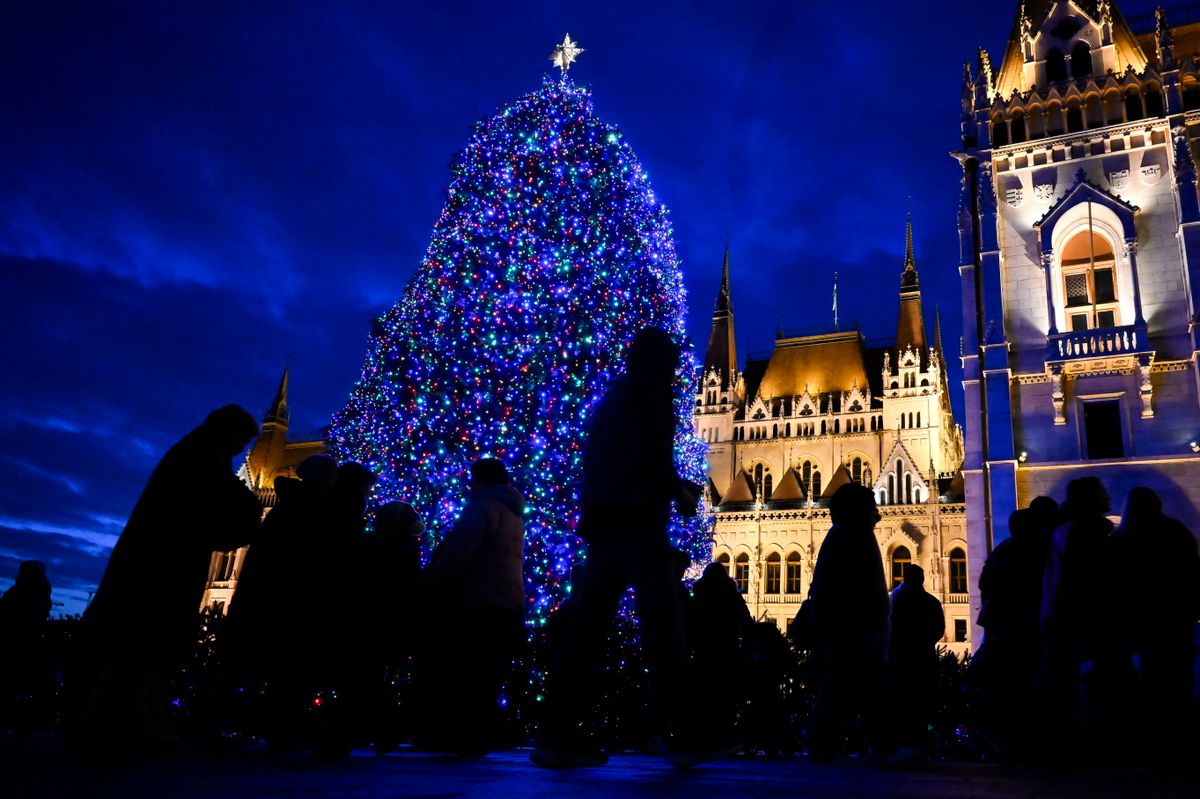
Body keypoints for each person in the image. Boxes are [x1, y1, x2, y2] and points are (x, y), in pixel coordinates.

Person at [532, 327, 706, 768]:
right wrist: (681, 493)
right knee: (665, 623)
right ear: (660, 363)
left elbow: (617, 457)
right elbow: (652, 458)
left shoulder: (614, 398)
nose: (675, 372)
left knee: (585, 630)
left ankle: (556, 736)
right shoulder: (652, 396)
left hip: (605, 516)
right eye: (671, 362)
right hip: (636, 518)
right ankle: (689, 731)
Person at [66, 405, 261, 752]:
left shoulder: (196, 453)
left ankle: (123, 721)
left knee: (147, 644)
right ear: (227, 432)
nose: (238, 451)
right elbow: (221, 505)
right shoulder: (201, 457)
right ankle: (123, 724)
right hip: (161, 566)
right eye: (240, 442)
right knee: (145, 641)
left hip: (165, 561)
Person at [420, 458, 525, 755]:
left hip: (477, 601)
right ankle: (479, 734)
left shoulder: (483, 507)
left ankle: (462, 735)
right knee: (488, 674)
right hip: (506, 603)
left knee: (466, 671)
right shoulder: (513, 512)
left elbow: (460, 551)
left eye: (473, 479)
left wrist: (432, 580)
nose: (469, 485)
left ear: (481, 481)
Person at [1113, 487, 1200, 759]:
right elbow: (1192, 573)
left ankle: (1154, 745)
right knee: (1178, 682)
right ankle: (1179, 743)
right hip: (1174, 619)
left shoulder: (1123, 539)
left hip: (1142, 622)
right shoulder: (1175, 532)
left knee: (1151, 682)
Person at [807, 483, 890, 762]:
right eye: (870, 508)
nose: (876, 514)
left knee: (849, 685)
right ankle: (876, 744)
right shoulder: (852, 536)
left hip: (849, 625)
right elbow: (855, 584)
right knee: (852, 685)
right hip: (852, 626)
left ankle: (833, 744)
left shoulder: (844, 535)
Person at [1037, 476, 1118, 757]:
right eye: (1102, 492)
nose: (1108, 497)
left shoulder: (1068, 530)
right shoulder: (1084, 531)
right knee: (1076, 685)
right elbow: (1090, 578)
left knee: (1064, 684)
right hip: (1078, 622)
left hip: (1063, 619)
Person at [975, 502, 1056, 760]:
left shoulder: (1004, 550)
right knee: (1021, 682)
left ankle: (1006, 739)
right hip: (1021, 626)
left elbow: (985, 582)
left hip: (1005, 626)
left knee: (1010, 683)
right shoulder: (1033, 551)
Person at [688, 562, 752, 747]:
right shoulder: (732, 596)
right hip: (727, 649)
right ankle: (723, 733)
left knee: (704, 692)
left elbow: (690, 621)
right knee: (725, 692)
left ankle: (702, 734)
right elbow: (745, 622)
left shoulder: (699, 595)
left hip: (704, 649)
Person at [888, 563, 944, 754]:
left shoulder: (897, 600)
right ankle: (921, 740)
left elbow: (891, 628)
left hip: (903, 658)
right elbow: (938, 629)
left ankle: (906, 741)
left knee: (905, 699)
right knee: (922, 700)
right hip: (923, 657)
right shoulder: (931, 602)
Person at [0, 561, 53, 731]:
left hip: (16, 642)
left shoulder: (15, 594)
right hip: (29, 642)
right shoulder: (39, 593)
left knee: (13, 681)